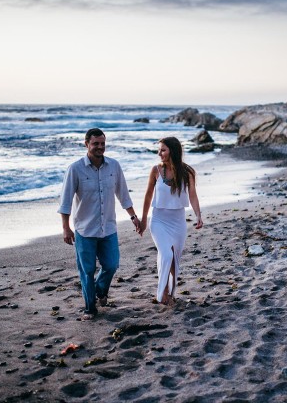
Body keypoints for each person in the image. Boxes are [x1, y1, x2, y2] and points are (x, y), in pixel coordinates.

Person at [58, 128, 141, 320]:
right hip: (84, 230)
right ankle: (90, 309)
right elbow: (65, 201)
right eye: (96, 143)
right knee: (86, 272)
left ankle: (101, 290)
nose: (100, 147)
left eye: (102, 143)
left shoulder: (114, 166)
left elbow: (123, 194)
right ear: (86, 144)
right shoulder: (75, 169)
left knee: (111, 265)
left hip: (108, 228)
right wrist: (65, 227)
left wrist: (133, 217)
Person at [138, 137, 203, 305]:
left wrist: (198, 215)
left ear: (172, 151)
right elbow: (147, 196)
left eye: (163, 150)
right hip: (158, 220)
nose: (159, 153)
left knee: (174, 258)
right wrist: (143, 219)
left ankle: (171, 291)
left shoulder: (187, 172)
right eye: (159, 150)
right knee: (166, 255)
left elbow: (193, 195)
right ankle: (163, 294)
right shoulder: (155, 170)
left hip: (178, 221)